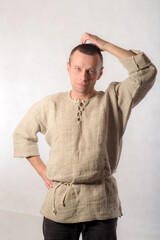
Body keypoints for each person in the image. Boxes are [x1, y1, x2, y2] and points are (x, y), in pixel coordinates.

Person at [13, 32, 157, 240]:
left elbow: (145, 72)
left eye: (91, 70)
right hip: (60, 203)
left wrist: (105, 45)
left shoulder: (114, 100)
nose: (83, 77)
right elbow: (22, 135)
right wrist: (42, 170)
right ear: (68, 68)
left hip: (101, 204)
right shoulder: (49, 105)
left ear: (100, 73)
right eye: (78, 69)